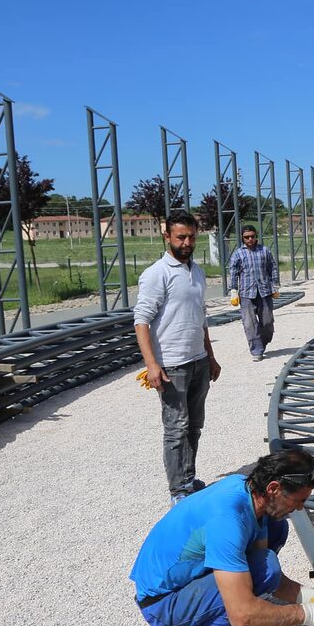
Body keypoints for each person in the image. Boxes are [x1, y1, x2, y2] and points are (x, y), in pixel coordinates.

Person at [130, 448, 314, 626]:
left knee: (276, 529)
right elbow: (242, 614)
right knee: (252, 593)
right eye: (298, 500)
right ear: (274, 488)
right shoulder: (228, 521)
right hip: (163, 604)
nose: (300, 507)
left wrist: (310, 596)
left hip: (178, 583)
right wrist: (309, 614)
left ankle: (238, 603)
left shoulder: (247, 488)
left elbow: (262, 562)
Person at [134, 212, 222, 504]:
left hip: (197, 360)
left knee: (194, 426)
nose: (187, 242)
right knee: (176, 429)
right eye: (181, 237)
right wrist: (152, 365)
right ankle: (178, 491)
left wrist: (210, 356)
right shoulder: (157, 274)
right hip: (171, 365)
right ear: (167, 237)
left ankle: (188, 478)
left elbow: (201, 317)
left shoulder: (196, 272)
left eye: (191, 237)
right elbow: (141, 321)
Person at [227, 223, 280, 362]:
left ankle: (262, 341)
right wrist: (233, 290)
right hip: (246, 293)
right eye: (246, 237)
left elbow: (272, 268)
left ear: (256, 236)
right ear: (242, 238)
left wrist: (275, 285)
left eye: (252, 236)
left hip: (264, 291)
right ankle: (256, 350)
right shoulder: (238, 254)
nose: (250, 239)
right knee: (250, 323)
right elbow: (233, 273)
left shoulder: (265, 251)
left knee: (267, 322)